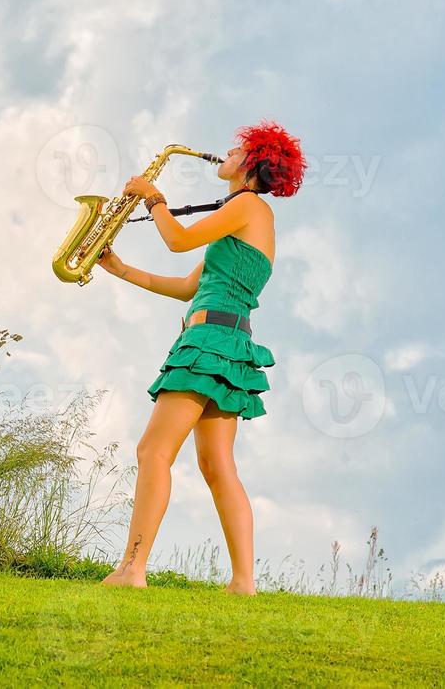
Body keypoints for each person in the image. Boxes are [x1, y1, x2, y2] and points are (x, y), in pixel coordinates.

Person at [98, 121, 306, 596]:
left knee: (153, 452)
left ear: (251, 163)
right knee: (217, 466)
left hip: (209, 341)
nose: (225, 155)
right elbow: (190, 287)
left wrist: (153, 197)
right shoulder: (245, 218)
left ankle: (132, 569)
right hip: (228, 341)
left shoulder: (248, 205)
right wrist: (122, 269)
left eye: (236, 150)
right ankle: (243, 584)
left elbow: (177, 240)